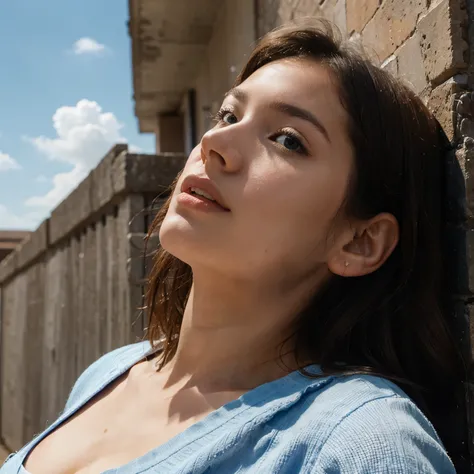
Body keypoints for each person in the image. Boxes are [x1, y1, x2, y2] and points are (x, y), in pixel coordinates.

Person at [2, 20, 464, 474]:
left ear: (359, 241)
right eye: (228, 115)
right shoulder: (108, 373)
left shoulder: (359, 442)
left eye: (287, 140)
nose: (214, 142)